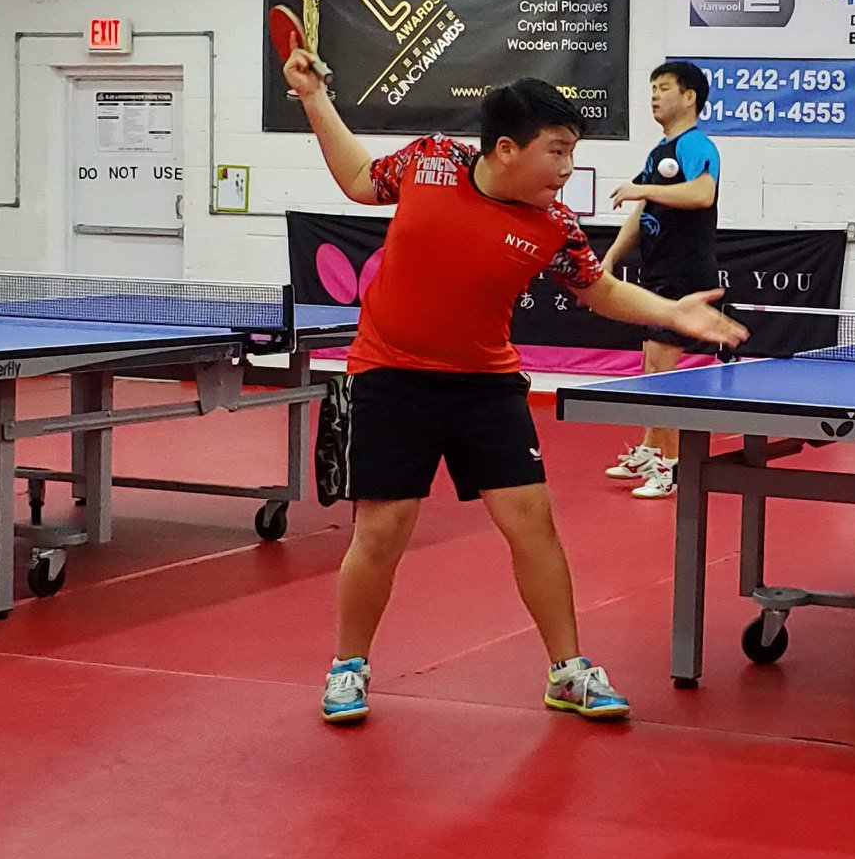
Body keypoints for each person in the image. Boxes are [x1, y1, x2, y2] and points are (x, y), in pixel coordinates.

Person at [284, 47, 747, 726]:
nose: (567, 168)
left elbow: (601, 291)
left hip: (487, 385)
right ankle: (348, 666)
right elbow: (358, 177)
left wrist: (670, 311)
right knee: (382, 531)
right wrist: (313, 96)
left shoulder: (552, 225)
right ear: (506, 148)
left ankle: (568, 671)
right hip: (390, 375)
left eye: (571, 153)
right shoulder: (430, 161)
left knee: (533, 524)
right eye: (557, 152)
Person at [597, 60, 723, 501]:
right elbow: (642, 213)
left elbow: (702, 192)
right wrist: (610, 258)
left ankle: (670, 466)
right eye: (652, 87)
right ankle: (651, 448)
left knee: (661, 373)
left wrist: (644, 189)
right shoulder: (659, 153)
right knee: (650, 366)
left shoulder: (695, 144)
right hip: (657, 272)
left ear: (689, 97)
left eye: (664, 88)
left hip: (684, 273)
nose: (654, 95)